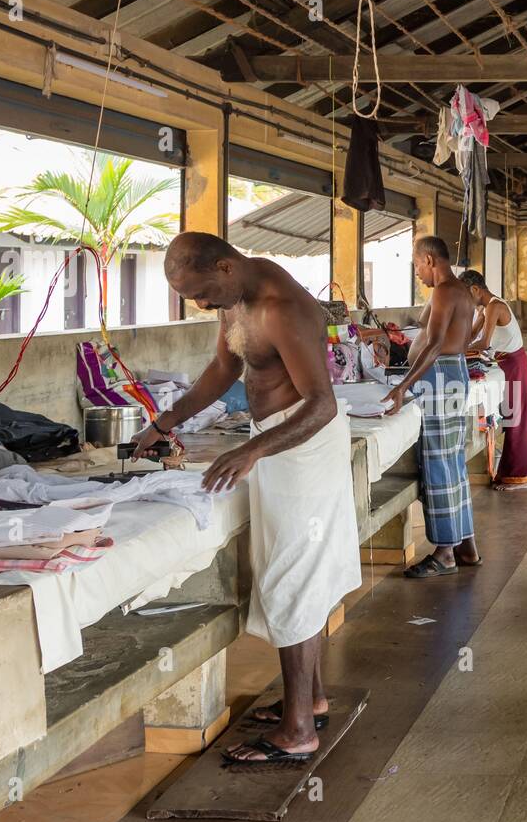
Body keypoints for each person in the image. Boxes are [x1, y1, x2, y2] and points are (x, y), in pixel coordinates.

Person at [132, 231, 361, 763]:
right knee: (287, 569)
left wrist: (253, 450)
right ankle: (311, 700)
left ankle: (299, 730)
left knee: (294, 574)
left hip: (302, 445)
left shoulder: (281, 307)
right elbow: (224, 369)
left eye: (203, 293)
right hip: (273, 440)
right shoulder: (231, 299)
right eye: (192, 297)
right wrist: (163, 422)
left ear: (226, 266)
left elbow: (322, 404)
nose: (202, 304)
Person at [382, 236, 482, 578]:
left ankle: (444, 553)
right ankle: (466, 546)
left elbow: (436, 343)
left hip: (439, 378)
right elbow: (441, 335)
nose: (416, 272)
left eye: (415, 265)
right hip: (452, 373)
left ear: (428, 259)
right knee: (452, 460)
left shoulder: (444, 291)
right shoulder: (460, 292)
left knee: (438, 463)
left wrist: (402, 385)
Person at [463, 269, 527, 491]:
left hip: (514, 364)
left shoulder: (495, 306)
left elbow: (484, 343)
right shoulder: (485, 309)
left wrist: (454, 350)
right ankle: (510, 473)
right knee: (510, 417)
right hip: (505, 365)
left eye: (466, 295)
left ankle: (520, 478)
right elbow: (470, 337)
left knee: (517, 420)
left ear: (476, 289)